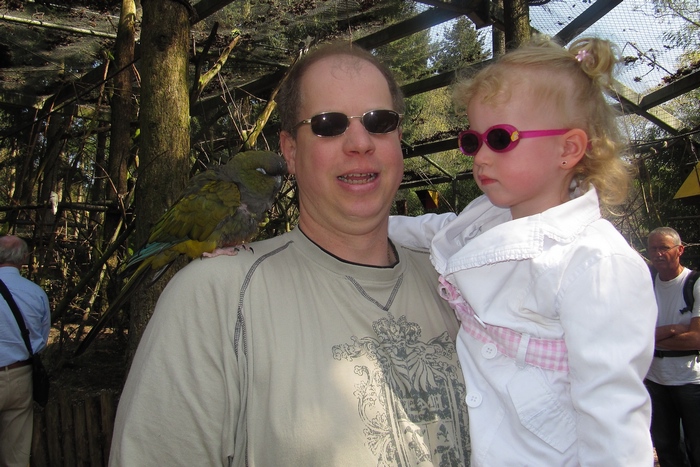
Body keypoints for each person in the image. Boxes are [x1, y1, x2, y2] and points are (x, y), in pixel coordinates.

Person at [109, 42, 471, 466]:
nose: (359, 142)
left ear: (398, 138)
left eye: (379, 121)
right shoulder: (214, 299)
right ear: (290, 152)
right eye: (328, 124)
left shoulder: (463, 287)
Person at [389, 36, 657, 465]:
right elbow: (432, 230)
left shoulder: (595, 262)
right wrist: (366, 224)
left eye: (500, 138)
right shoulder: (489, 217)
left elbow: (612, 414)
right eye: (472, 140)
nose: (480, 157)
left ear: (568, 149)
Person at [645, 227, 700, 467]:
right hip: (655, 379)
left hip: (690, 380)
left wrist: (649, 337)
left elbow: (696, 339)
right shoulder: (645, 285)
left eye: (664, 248)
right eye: (653, 248)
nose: (658, 254)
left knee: (696, 446)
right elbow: (631, 333)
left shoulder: (694, 284)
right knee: (666, 447)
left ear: (680, 250)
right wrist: (674, 329)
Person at [0, 235, 50, 467]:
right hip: (21, 376)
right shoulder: (36, 293)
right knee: (17, 454)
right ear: (24, 259)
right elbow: (41, 340)